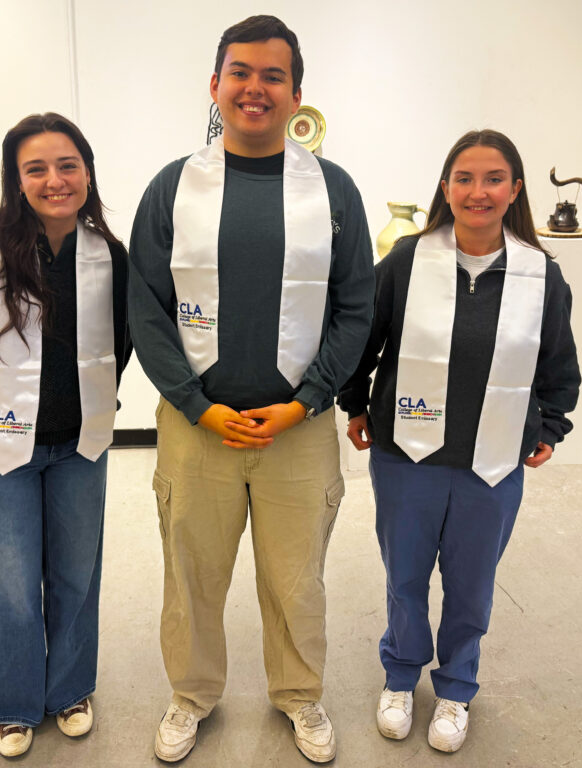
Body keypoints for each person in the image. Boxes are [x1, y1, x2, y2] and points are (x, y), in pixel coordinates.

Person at [128, 15, 374, 764]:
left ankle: (299, 696)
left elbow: (354, 303)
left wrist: (309, 399)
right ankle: (192, 695)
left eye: (273, 75)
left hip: (296, 428)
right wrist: (197, 404)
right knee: (192, 577)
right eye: (240, 73)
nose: (255, 88)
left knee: (295, 581)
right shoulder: (173, 186)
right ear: (215, 85)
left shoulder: (332, 190)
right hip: (197, 427)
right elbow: (146, 305)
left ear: (297, 92)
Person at [338, 129, 580, 753]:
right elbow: (364, 341)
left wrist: (550, 424)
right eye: (464, 178)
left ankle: (455, 688)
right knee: (406, 575)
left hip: (491, 463)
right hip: (407, 457)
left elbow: (558, 363)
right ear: (445, 187)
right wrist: (357, 403)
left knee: (471, 584)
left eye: (493, 178)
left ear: (515, 189)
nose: (479, 192)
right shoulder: (406, 262)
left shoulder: (540, 274)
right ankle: (399, 676)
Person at [0, 113, 131, 757]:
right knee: (8, 582)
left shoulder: (107, 255)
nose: (54, 180)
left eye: (67, 165)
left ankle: (69, 688)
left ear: (87, 172)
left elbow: (122, 342)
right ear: (16, 180)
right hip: (1, 446)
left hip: (79, 444)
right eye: (35, 168)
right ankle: (13, 703)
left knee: (76, 573)